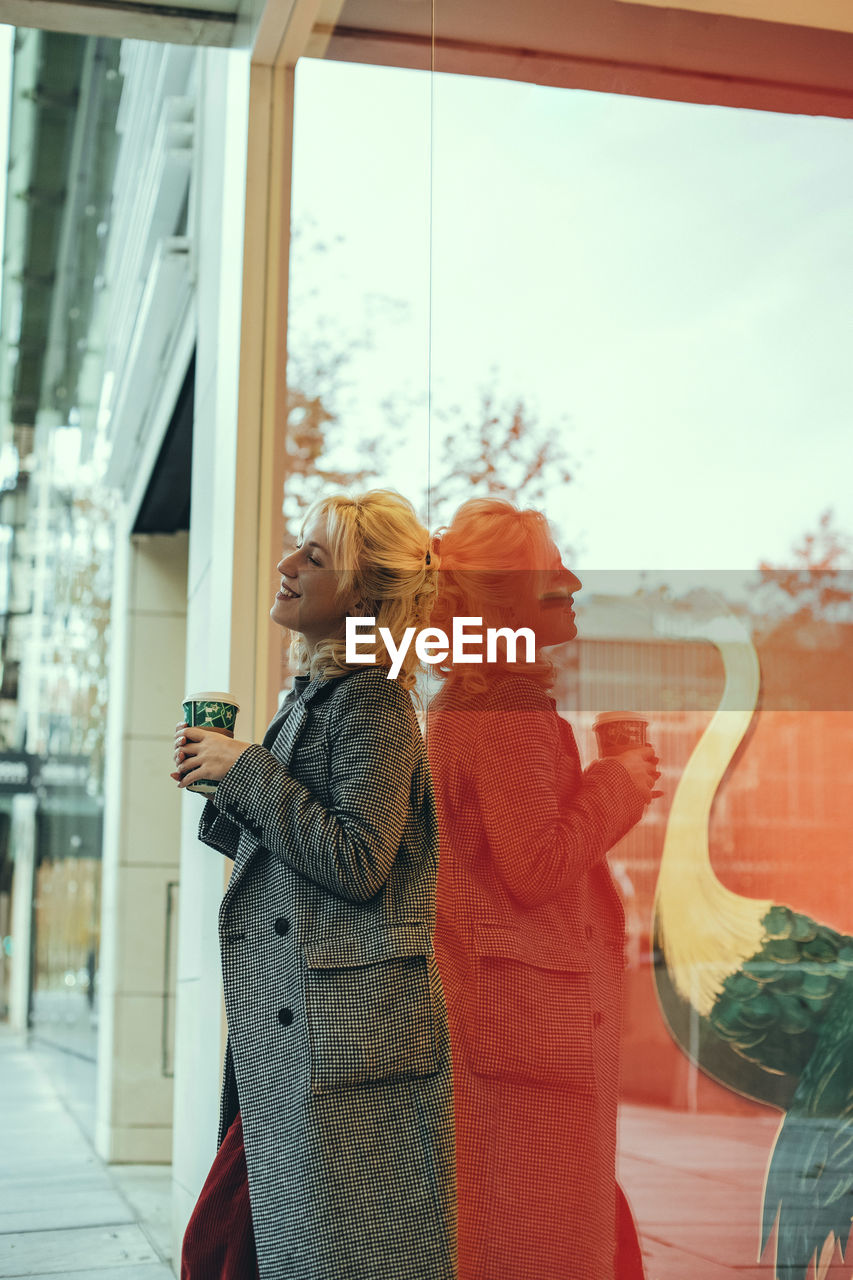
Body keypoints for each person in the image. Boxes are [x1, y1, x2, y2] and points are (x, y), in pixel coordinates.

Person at [171, 489, 456, 1280]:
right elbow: (298, 843)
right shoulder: (321, 699)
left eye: (314, 557)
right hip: (298, 1021)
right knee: (241, 1248)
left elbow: (360, 860)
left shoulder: (372, 703)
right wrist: (226, 783)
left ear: (362, 597)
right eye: (297, 547)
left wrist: (249, 772)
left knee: (229, 1250)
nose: (286, 564)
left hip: (335, 1034)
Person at [426, 498, 657, 1280]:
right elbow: (533, 865)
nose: (571, 579)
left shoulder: (470, 696)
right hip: (526, 1026)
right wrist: (617, 785)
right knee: (545, 1244)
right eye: (549, 569)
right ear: (503, 596)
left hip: (501, 1017)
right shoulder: (507, 703)